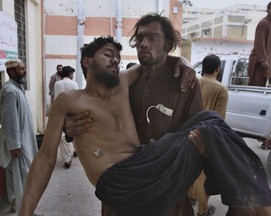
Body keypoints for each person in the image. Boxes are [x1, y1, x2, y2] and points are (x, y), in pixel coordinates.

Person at [19, 37, 271, 216]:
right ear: (87, 62)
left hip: (146, 167)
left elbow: (156, 61)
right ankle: (261, 205)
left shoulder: (123, 82)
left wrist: (182, 62)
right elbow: (45, 156)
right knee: (211, 127)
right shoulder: (70, 99)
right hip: (119, 182)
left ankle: (250, 201)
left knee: (211, 120)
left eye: (118, 56)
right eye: (108, 55)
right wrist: (26, 212)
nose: (115, 60)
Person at [64, 13, 202, 216]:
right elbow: (91, 110)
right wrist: (70, 128)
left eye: (152, 37)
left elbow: (197, 135)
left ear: (168, 44)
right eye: (140, 38)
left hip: (166, 194)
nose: (143, 43)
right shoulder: (121, 83)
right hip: (122, 194)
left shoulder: (184, 81)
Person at [189, 54, 228, 216]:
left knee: (190, 167)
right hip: (208, 135)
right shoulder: (221, 89)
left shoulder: (193, 83)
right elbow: (219, 119)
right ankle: (203, 210)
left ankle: (191, 197)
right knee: (202, 175)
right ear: (218, 69)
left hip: (189, 131)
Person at [0, 59, 38, 213]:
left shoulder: (17, 88)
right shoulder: (10, 91)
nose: (25, 71)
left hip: (24, 141)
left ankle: (19, 204)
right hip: (19, 145)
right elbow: (9, 120)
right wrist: (14, 145)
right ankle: (24, 209)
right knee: (21, 177)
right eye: (22, 69)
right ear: (11, 72)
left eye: (25, 68)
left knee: (20, 176)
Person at [247, 1, 271, 87]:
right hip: (258, 63)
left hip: (265, 64)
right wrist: (263, 60)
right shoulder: (264, 23)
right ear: (268, 10)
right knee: (256, 90)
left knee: (262, 88)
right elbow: (259, 43)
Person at [54, 66, 79, 169]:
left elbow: (56, 99)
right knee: (75, 134)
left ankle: (67, 160)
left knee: (63, 137)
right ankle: (76, 150)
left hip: (60, 113)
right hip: (73, 113)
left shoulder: (57, 84)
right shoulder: (74, 84)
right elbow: (77, 99)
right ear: (70, 74)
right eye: (72, 74)